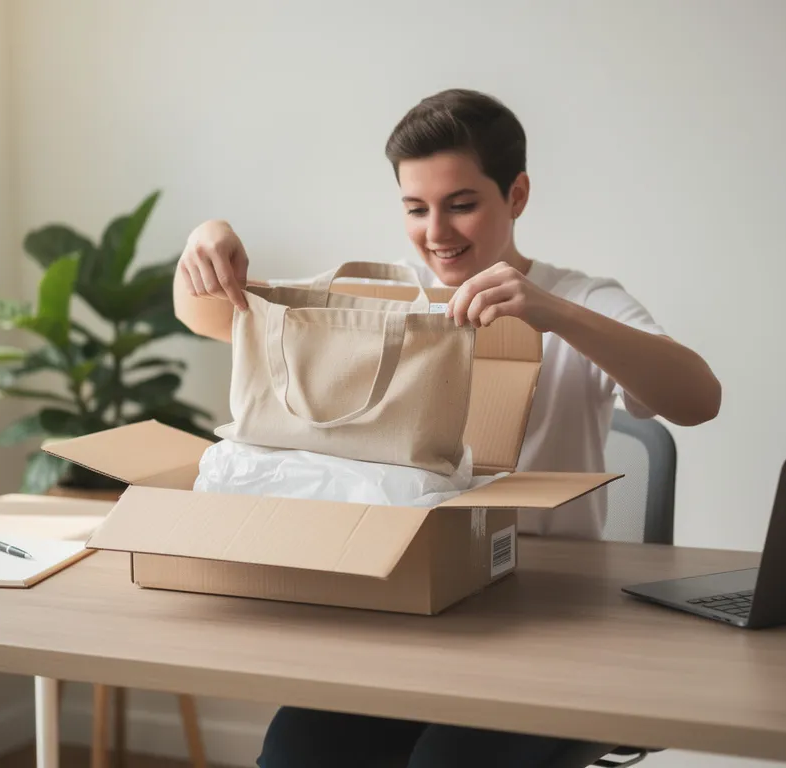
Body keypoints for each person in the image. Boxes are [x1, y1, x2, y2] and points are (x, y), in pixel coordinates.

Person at [174, 89, 721, 768]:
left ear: (516, 195)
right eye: (415, 208)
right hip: (405, 609)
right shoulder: (386, 300)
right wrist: (205, 245)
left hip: (544, 623)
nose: (437, 232)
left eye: (461, 204)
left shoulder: (578, 300)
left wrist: (552, 315)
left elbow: (700, 398)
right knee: (295, 752)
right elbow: (218, 317)